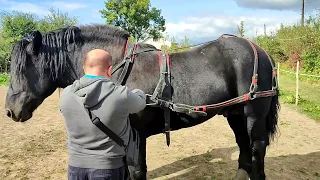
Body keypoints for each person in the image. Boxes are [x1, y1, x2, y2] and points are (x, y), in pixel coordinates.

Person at [59, 49, 147, 180]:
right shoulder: (120, 95)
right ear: (110, 69)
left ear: (84, 67)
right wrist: (139, 92)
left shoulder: (66, 93)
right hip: (108, 168)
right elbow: (140, 104)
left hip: (75, 168)